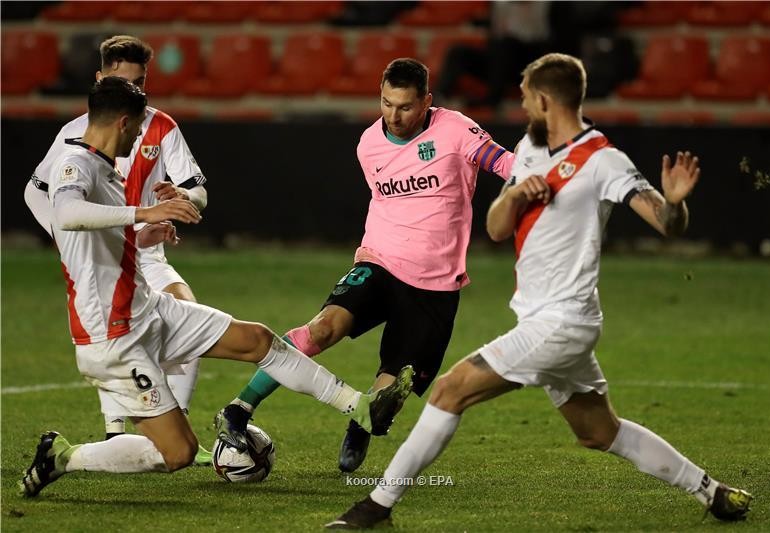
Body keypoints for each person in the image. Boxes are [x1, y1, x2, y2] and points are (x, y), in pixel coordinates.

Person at [325, 53, 753, 529]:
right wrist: (514, 196)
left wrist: (674, 205)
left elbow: (665, 222)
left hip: (563, 322)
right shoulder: (529, 150)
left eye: (527, 97)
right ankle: (711, 492)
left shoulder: (602, 159)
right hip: (540, 320)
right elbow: (494, 228)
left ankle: (375, 508)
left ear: (545, 99)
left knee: (449, 391)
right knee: (599, 431)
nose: (523, 105)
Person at [19, 77, 414, 498]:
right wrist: (146, 209)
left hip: (147, 309)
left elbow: (92, 239)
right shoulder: (74, 162)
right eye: (136, 130)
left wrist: (139, 233)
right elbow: (65, 213)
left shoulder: (104, 166)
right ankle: (62, 456)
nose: (137, 137)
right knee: (178, 452)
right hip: (112, 336)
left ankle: (361, 408)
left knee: (257, 338)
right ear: (122, 122)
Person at [215, 58, 516, 471]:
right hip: (380, 260)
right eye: (386, 103)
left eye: (406, 106)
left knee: (392, 390)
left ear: (427, 101)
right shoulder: (368, 144)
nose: (394, 115)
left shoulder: (457, 130)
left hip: (436, 283)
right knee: (323, 327)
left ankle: (362, 423)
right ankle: (239, 408)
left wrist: (539, 181)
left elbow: (505, 164)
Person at [24, 36, 213, 464]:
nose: (135, 93)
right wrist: (68, 238)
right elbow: (35, 192)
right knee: (114, 333)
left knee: (186, 313)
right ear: (100, 79)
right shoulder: (74, 133)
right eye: (123, 81)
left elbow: (196, 188)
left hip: (148, 254)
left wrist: (184, 203)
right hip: (103, 256)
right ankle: (116, 434)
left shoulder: (161, 125)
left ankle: (172, 427)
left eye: (140, 83)